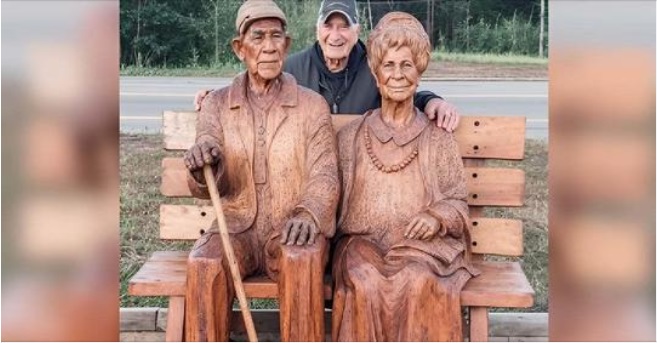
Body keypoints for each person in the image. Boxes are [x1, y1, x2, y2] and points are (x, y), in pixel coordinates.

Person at [182, 0, 339, 341]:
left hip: (290, 226)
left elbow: (325, 173)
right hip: (236, 226)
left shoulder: (311, 106)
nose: (268, 47)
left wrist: (309, 215)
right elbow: (206, 183)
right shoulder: (217, 104)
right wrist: (202, 163)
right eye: (258, 37)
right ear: (240, 48)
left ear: (287, 44)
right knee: (205, 263)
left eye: (276, 36)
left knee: (302, 258)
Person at [331, 12, 479, 341]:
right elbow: (329, 196)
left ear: (419, 71)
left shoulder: (436, 137)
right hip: (361, 245)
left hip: (420, 250)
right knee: (364, 277)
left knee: (418, 280)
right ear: (375, 72)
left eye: (407, 65)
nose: (398, 74)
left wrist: (437, 217)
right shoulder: (352, 137)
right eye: (389, 65)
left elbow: (456, 201)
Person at [195, 0, 461, 132]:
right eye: (328, 26)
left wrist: (431, 101)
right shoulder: (290, 68)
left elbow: (403, 92)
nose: (335, 35)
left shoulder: (377, 67)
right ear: (317, 30)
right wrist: (215, 97)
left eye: (344, 26)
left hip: (359, 175)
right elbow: (255, 86)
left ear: (357, 30)